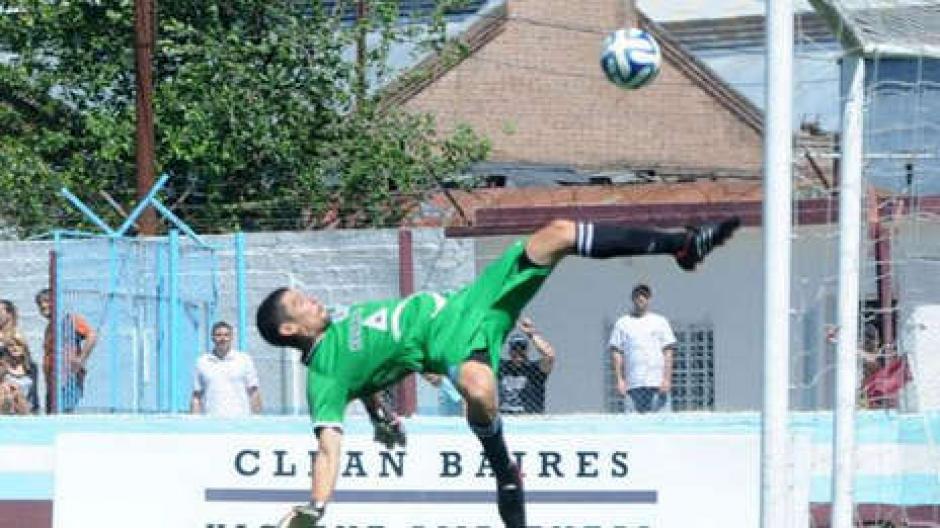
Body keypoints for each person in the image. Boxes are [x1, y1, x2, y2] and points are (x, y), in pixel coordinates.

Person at [256, 216, 740, 527]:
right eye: (300, 304)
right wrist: (316, 507)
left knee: (557, 234)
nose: (312, 298)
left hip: (473, 300)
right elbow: (327, 445)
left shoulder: (340, 332)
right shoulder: (322, 377)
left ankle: (682, 246)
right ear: (290, 329)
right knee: (477, 385)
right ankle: (504, 467)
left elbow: (366, 374)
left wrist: (379, 414)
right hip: (448, 343)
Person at [609, 283, 677, 414]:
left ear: (649, 299)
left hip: (657, 384)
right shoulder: (622, 323)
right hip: (633, 386)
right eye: (638, 295)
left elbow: (668, 352)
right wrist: (620, 380)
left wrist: (667, 379)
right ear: (633, 298)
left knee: (662, 424)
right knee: (633, 427)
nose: (641, 298)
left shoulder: (660, 322)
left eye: (644, 296)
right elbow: (616, 353)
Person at [36, 288, 98, 414]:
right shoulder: (50, 326)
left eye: (47, 301)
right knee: (52, 414)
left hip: (68, 379)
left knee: (64, 413)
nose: (43, 305)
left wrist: (81, 359)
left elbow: (92, 335)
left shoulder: (70, 319)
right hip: (53, 382)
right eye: (40, 303)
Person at [190, 321, 263, 416]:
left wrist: (257, 419)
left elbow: (254, 392)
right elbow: (196, 396)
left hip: (241, 421)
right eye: (218, 335)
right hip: (211, 421)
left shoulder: (244, 360)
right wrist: (194, 422)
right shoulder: (202, 362)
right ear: (212, 338)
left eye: (226, 335)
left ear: (232, 337)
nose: (223, 338)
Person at [498, 317, 555, 414]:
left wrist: (532, 334)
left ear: (527, 350)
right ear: (510, 351)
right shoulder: (501, 368)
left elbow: (549, 356)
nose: (518, 352)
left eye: (522, 348)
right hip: (504, 419)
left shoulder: (535, 370)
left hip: (530, 419)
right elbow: (485, 356)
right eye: (515, 348)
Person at [0, 337, 39, 414]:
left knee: (19, 395)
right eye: (11, 345)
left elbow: (34, 392)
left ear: (24, 347)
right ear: (6, 348)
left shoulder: (31, 367)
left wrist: (35, 409)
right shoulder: (3, 365)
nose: (15, 348)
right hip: (6, 404)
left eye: (18, 345)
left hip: (25, 406)